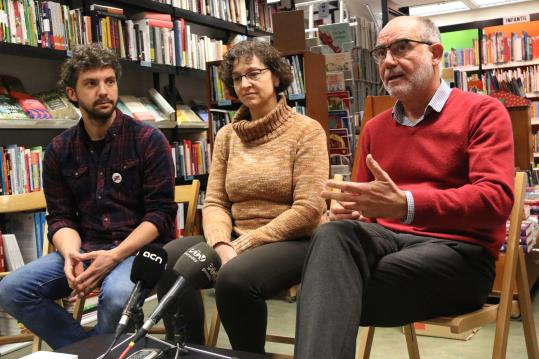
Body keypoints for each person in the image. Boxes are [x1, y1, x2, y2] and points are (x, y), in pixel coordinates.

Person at [295, 16, 515, 359]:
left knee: (326, 289)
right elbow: (365, 206)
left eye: (401, 48)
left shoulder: (483, 112)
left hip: (459, 253)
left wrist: (407, 205)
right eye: (381, 53)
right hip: (390, 245)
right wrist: (353, 210)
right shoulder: (375, 128)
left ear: (436, 53)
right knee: (333, 237)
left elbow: (495, 200)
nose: (388, 62)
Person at [0, 43, 177, 350]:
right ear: (72, 93)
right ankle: (92, 351)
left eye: (109, 81)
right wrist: (70, 254)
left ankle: (101, 351)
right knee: (12, 289)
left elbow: (160, 216)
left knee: (117, 297)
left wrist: (114, 256)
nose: (104, 91)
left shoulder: (148, 140)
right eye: (91, 84)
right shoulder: (59, 150)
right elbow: (61, 217)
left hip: (138, 251)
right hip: (86, 248)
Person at [156, 40, 329, 353]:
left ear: (276, 76)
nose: (245, 83)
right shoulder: (226, 136)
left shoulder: (306, 130)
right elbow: (216, 202)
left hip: (293, 241)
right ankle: (188, 351)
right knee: (169, 259)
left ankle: (247, 355)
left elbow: (308, 210)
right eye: (237, 78)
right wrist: (222, 244)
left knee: (234, 277)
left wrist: (239, 247)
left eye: (254, 73)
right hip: (234, 239)